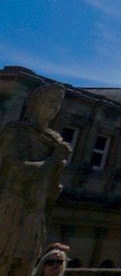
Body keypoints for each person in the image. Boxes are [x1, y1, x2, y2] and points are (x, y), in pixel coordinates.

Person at [0, 84, 71, 276]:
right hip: (12, 208)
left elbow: (52, 187)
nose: (54, 106)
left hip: (36, 213)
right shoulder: (16, 131)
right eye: (49, 101)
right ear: (34, 103)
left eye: (57, 103)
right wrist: (55, 158)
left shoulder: (55, 139)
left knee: (25, 267)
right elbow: (22, 171)